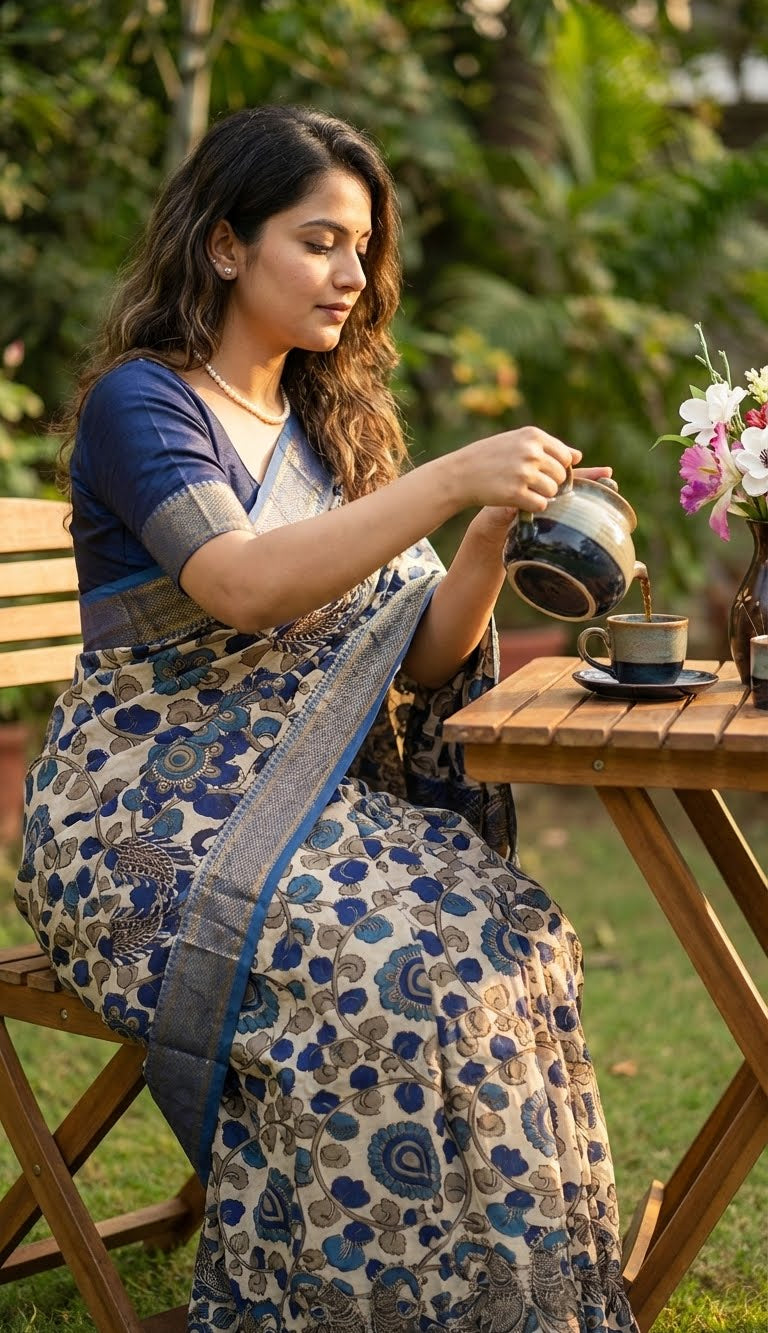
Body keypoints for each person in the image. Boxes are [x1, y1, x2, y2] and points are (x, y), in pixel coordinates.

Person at [17, 105, 638, 1333]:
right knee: (385, 969)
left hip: (298, 803)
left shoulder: (331, 427)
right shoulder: (145, 407)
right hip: (139, 821)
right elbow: (242, 584)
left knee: (507, 936)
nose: (354, 275)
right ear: (225, 245)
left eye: (365, 247)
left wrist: (478, 539)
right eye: (320, 241)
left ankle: (507, 1301)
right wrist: (450, 476)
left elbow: (418, 661)